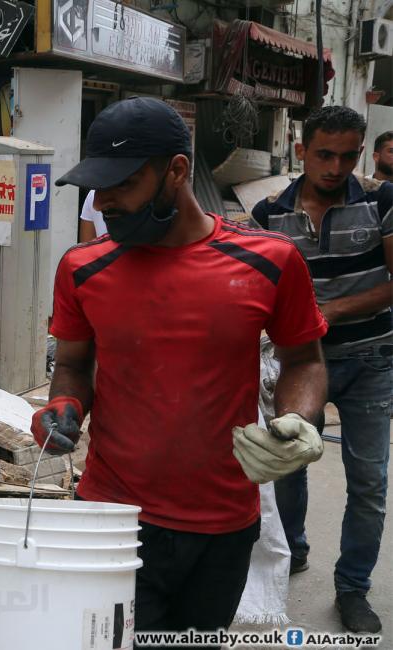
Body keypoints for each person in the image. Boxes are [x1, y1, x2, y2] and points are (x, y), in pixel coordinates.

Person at [38, 97, 328, 644]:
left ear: (176, 171)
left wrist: (299, 421)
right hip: (112, 518)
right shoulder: (83, 269)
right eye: (96, 188)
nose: (103, 202)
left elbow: (304, 359)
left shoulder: (269, 262)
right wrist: (65, 407)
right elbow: (74, 365)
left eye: (121, 184)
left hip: (224, 523)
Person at [252, 105, 393, 635]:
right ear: (301, 151)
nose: (335, 167)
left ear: (360, 153)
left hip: (371, 360)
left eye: (347, 156)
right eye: (324, 155)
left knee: (370, 483)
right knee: (288, 466)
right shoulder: (269, 214)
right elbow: (258, 291)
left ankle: (352, 588)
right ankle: (292, 550)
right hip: (295, 361)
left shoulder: (383, 201)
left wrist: (324, 313)